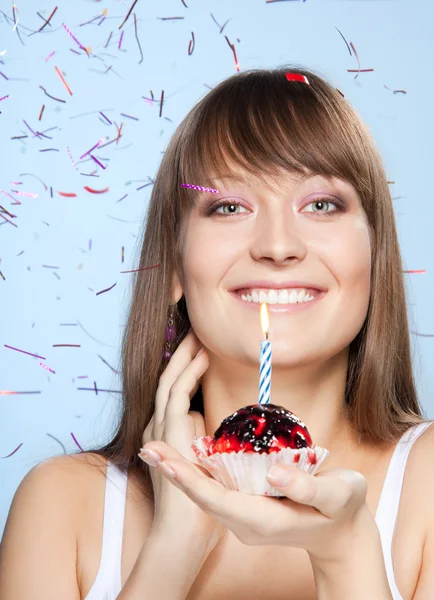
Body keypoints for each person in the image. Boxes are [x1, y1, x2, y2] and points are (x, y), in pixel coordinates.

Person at [1, 65, 433, 600]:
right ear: (176, 266)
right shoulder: (62, 506)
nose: (278, 245)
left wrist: (348, 554)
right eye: (229, 206)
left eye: (321, 204)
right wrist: (175, 545)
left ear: (375, 253)